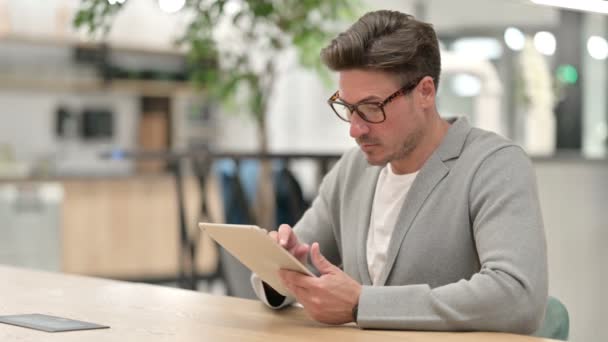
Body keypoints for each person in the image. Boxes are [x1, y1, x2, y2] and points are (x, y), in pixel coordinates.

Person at [250, 9, 548, 333]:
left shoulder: (494, 165)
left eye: (371, 108)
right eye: (348, 108)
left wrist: (362, 304)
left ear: (425, 92)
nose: (355, 129)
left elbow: (517, 296)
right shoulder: (353, 169)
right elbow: (293, 260)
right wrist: (283, 268)